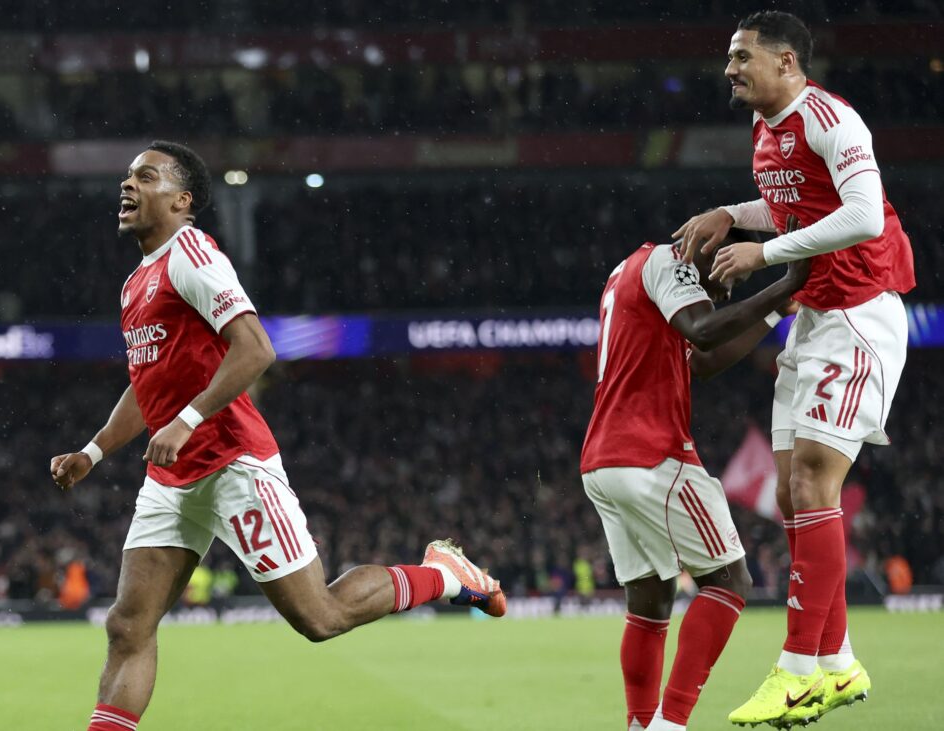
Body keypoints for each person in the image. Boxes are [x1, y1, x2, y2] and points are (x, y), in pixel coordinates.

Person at [50, 140, 505, 731]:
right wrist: (93, 451)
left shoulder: (192, 254)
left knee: (320, 617)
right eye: (128, 176)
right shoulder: (136, 282)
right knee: (127, 626)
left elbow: (256, 349)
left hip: (232, 461)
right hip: (172, 478)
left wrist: (186, 420)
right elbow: (147, 383)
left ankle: (445, 574)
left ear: (182, 200)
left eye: (146, 176)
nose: (128, 184)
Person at [673, 11, 914, 727]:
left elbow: (863, 215)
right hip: (812, 315)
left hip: (859, 313)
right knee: (789, 491)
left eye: (741, 56)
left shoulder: (831, 119)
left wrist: (764, 253)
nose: (730, 69)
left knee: (812, 480)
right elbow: (792, 206)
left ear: (786, 62)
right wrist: (733, 213)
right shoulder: (764, 128)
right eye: (729, 57)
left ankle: (798, 670)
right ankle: (838, 661)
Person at [581, 222, 810, 731]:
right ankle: (671, 723)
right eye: (727, 276)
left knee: (651, 599)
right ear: (708, 249)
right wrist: (787, 283)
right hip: (650, 453)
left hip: (602, 461)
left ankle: (642, 724)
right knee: (730, 580)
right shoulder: (669, 261)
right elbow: (704, 330)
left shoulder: (630, 272)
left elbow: (703, 361)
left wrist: (776, 308)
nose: (726, 290)